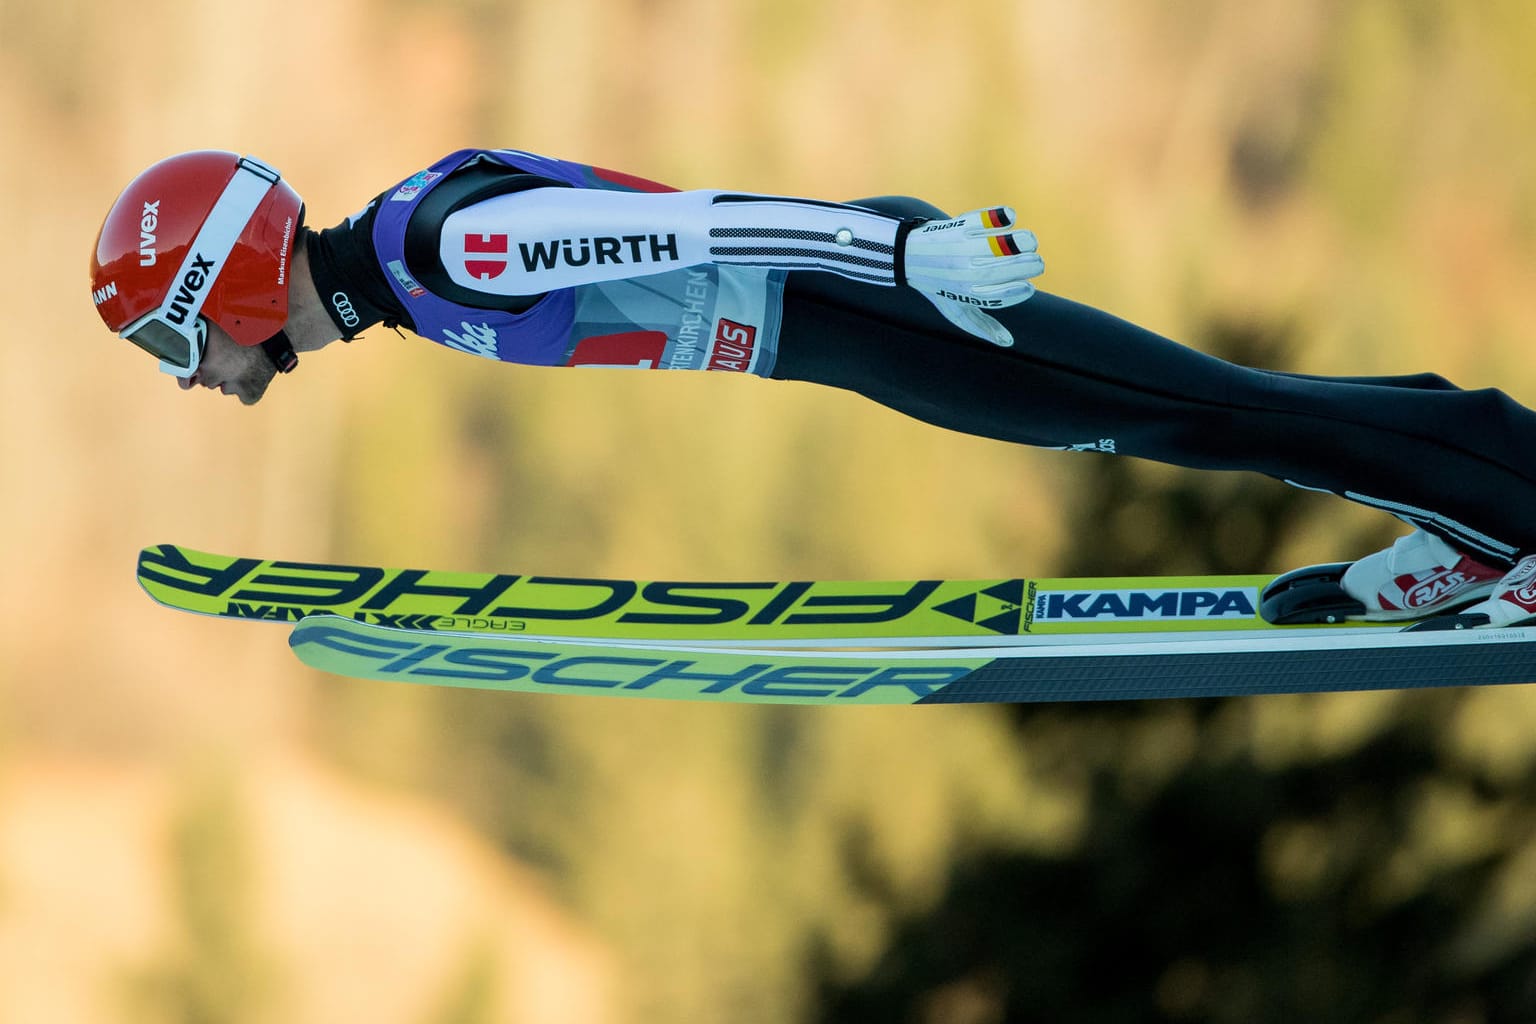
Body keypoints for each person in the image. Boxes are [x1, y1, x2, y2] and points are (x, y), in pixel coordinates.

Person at [88, 148, 1536, 627]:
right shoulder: (407, 280)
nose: (192, 379)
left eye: (173, 342)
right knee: (1200, 415)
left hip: (873, 302)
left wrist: (916, 257)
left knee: (1206, 408)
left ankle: (1503, 500)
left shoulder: (448, 248)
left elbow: (709, 223)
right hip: (849, 325)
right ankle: (1480, 521)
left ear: (240, 281)